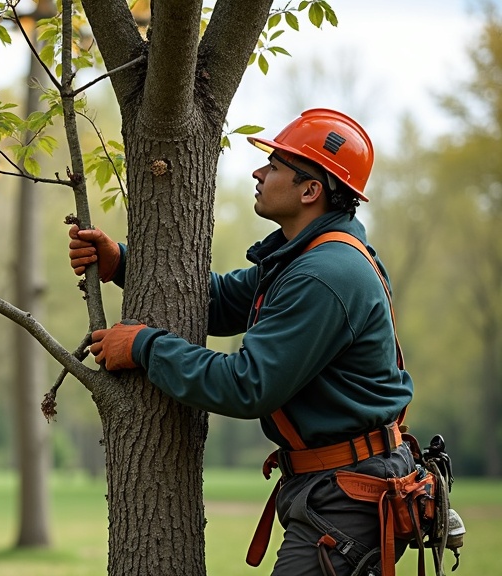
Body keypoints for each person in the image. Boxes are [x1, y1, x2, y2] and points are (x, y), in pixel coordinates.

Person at [68, 109, 417, 575]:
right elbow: (217, 299)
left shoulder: (325, 275)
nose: (258, 171)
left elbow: (247, 384)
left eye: (274, 166)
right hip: (332, 486)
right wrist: (122, 265)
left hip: (346, 495)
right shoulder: (303, 259)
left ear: (310, 190)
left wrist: (145, 347)